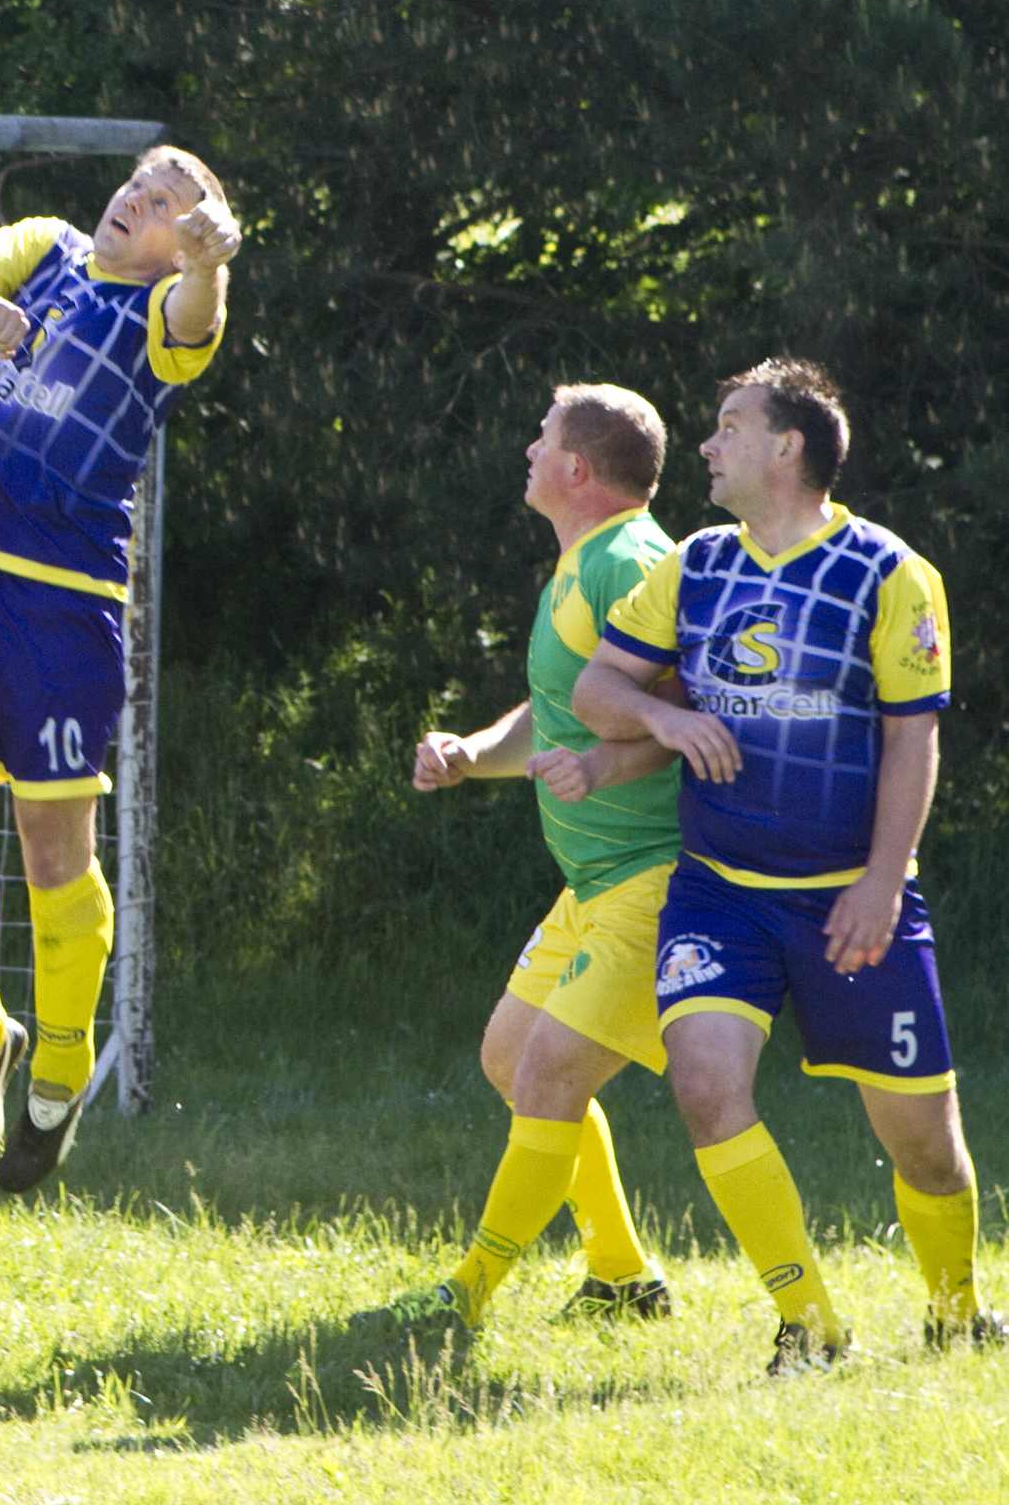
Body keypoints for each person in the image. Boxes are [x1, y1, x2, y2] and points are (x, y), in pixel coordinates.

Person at [573, 358, 1000, 1373]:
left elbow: (911, 741)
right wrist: (665, 715)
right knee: (706, 1086)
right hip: (719, 893)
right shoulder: (696, 564)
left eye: (727, 426)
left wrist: (882, 881)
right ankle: (807, 1326)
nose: (708, 446)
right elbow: (599, 687)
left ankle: (956, 1313)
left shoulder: (887, 572)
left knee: (925, 1144)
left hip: (852, 898)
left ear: (786, 447)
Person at [0, 146, 240, 1190]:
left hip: (61, 610)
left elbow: (197, 313)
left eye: (167, 201)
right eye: (137, 183)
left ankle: (63, 1061)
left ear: (190, 235)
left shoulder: (170, 308)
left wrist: (213, 262)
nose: (137, 199)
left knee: (51, 851)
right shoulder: (46, 249)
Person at [390, 384, 685, 1328]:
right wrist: (476, 754)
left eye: (540, 437)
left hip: (658, 876)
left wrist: (606, 765)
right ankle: (622, 1277)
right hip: (591, 884)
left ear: (577, 468)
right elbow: (557, 710)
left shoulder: (632, 560)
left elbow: (689, 713)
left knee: (550, 1075)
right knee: (512, 1059)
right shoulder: (577, 565)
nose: (526, 449)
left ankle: (467, 1294)